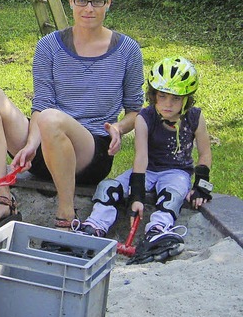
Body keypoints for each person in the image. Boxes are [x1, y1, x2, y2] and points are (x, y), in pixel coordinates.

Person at [0, 0, 144, 232]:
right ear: (71, 0)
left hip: (91, 151)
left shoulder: (128, 50)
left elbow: (135, 110)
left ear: (108, 3)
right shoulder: (49, 46)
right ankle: (3, 196)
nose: (88, 8)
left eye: (97, 1)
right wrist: (30, 144)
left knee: (52, 118)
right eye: (81, 0)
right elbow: (42, 103)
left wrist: (119, 128)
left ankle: (66, 213)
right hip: (43, 144)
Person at [75, 56, 213, 264]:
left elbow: (204, 152)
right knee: (108, 187)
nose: (168, 104)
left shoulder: (195, 117)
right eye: (162, 96)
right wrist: (136, 194)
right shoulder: (145, 117)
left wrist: (201, 186)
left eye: (175, 98)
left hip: (176, 172)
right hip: (146, 169)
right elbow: (140, 157)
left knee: (172, 195)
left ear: (186, 98)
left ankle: (158, 230)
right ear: (153, 95)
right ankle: (93, 227)